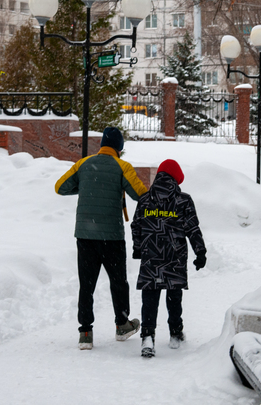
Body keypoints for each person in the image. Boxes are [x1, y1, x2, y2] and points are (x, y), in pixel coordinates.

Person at [55, 127, 148, 350]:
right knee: (118, 282)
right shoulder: (122, 166)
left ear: (102, 145)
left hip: (85, 235)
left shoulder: (84, 164)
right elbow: (141, 195)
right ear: (120, 147)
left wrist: (86, 186)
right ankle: (122, 325)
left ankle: (85, 333)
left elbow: (60, 187)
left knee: (86, 285)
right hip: (112, 237)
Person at [131, 159, 206, 357]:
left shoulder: (145, 199)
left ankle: (148, 336)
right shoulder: (184, 200)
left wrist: (138, 248)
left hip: (151, 256)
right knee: (174, 295)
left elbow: (136, 226)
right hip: (175, 257)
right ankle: (175, 333)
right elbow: (192, 229)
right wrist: (201, 252)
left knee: (150, 297)